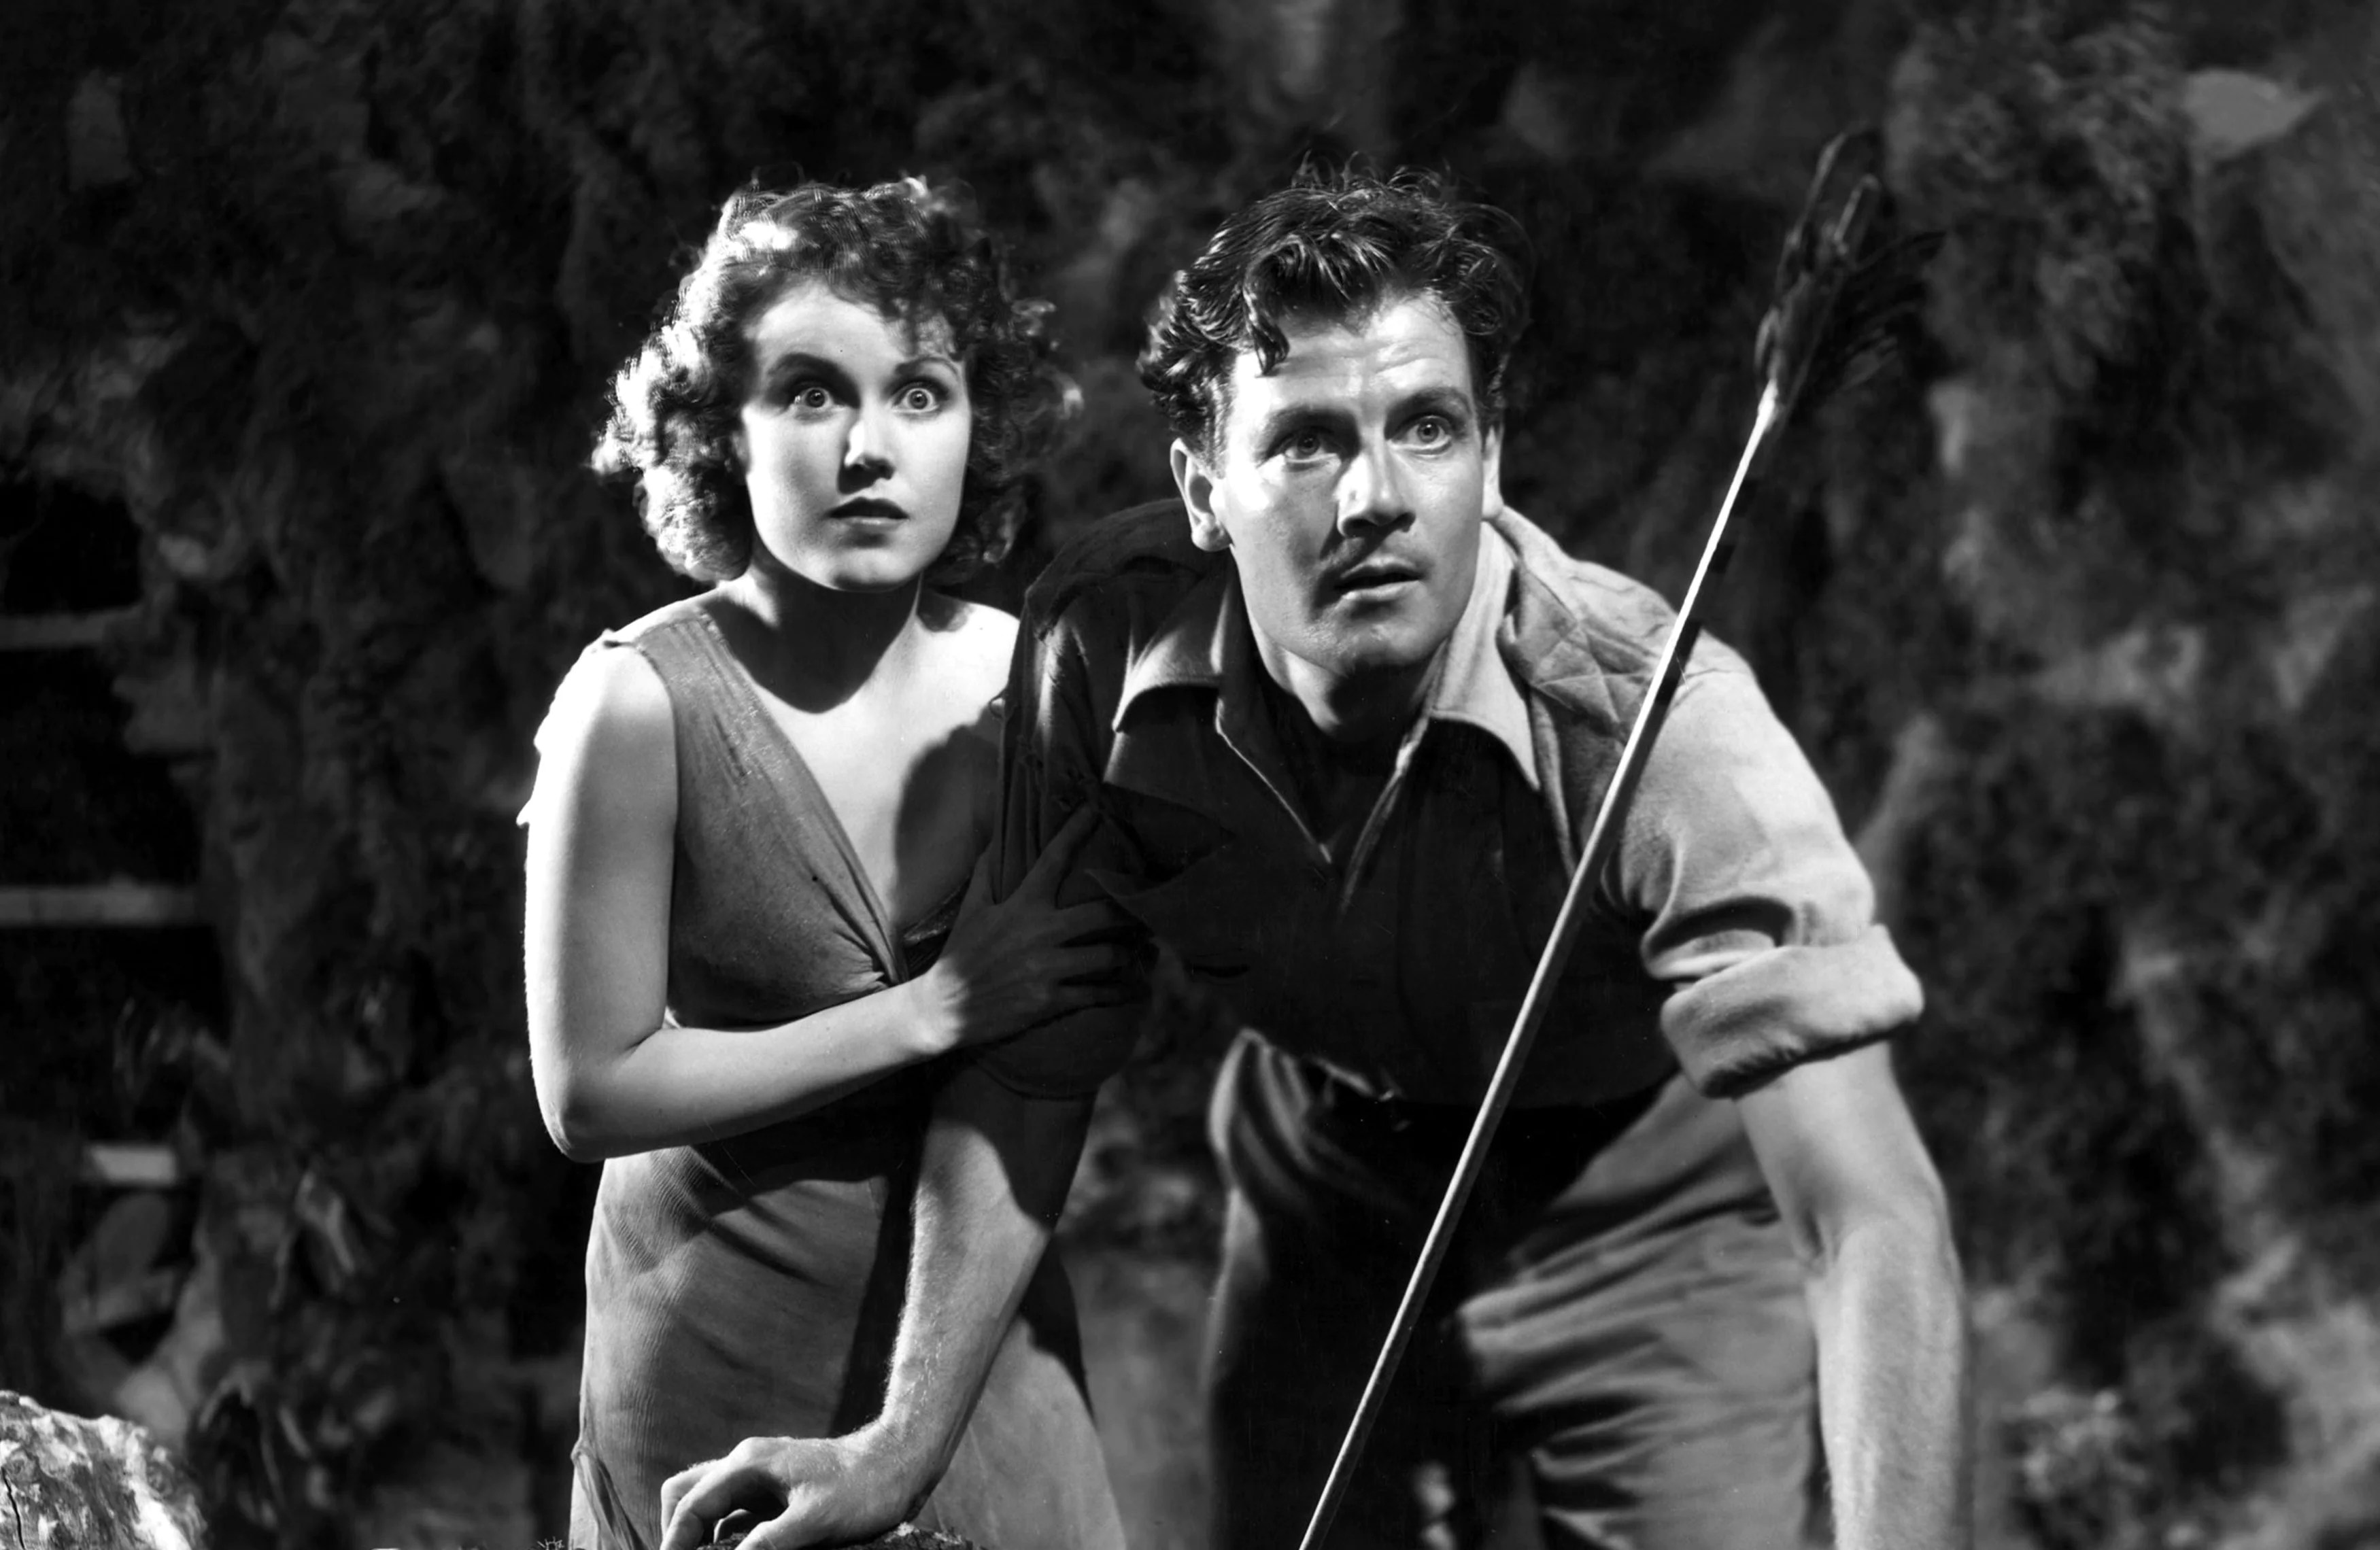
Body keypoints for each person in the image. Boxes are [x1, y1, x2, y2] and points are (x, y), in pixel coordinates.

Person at [662, 169, 1970, 1550]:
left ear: (1492, 461)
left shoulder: (1665, 730)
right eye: (1303, 443)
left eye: (1428, 428)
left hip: (1646, 1225)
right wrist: (895, 1447)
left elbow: (1870, 1220)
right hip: (1327, 1187)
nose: (1375, 498)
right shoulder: (1099, 649)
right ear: (1202, 490)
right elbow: (1031, 1066)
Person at [522, 176, 1131, 1550]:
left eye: (919, 393)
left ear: (978, 425)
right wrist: (929, 1011)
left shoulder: (1041, 690)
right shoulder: (638, 703)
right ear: (720, 433)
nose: (869, 448)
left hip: (979, 1348)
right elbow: (590, 1092)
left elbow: (1058, 1063)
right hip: (716, 1341)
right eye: (808, 394)